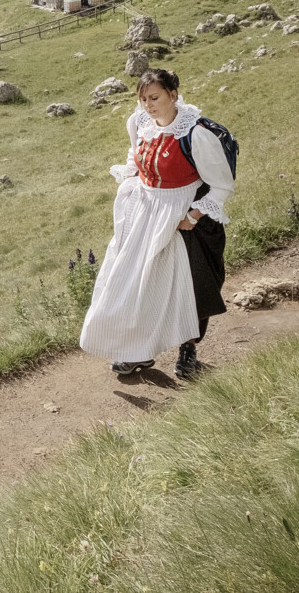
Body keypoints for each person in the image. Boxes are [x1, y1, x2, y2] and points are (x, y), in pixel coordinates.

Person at [79, 69, 234, 378]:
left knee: (190, 289)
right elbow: (134, 158)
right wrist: (131, 187)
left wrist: (192, 217)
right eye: (143, 99)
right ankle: (138, 351)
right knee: (140, 284)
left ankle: (188, 350)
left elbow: (222, 185)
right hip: (147, 216)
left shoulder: (196, 134)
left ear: (173, 95)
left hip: (186, 221)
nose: (148, 105)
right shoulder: (140, 123)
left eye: (154, 97)